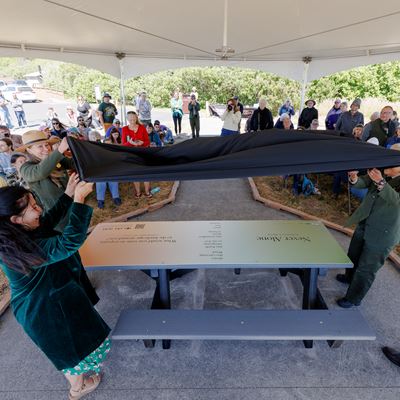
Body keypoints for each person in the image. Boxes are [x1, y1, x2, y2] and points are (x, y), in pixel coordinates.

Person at [0, 181, 110, 399]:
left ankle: (79, 381)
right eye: (32, 208)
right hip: (43, 312)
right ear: (15, 219)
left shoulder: (18, 232)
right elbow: (69, 242)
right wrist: (79, 201)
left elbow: (47, 220)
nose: (39, 209)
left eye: (35, 203)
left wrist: (68, 194)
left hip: (56, 298)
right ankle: (77, 389)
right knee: (69, 355)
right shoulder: (23, 248)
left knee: (76, 344)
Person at [335, 167, 400, 308]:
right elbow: (362, 182)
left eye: (393, 163)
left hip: (384, 233)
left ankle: (354, 298)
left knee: (367, 268)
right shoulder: (382, 173)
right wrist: (354, 178)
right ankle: (349, 278)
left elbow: (397, 201)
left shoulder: (382, 178)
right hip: (365, 223)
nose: (387, 165)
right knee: (353, 254)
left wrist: (381, 182)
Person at [18, 130, 74, 231]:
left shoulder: (55, 159)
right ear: (29, 150)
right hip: (55, 219)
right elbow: (40, 171)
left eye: (47, 145)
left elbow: (74, 163)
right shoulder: (26, 168)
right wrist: (59, 150)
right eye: (40, 146)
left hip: (72, 209)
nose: (46, 149)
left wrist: (75, 147)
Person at [121, 111, 152, 198]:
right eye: (130, 118)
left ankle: (147, 192)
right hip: (132, 155)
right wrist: (130, 143)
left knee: (146, 173)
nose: (132, 119)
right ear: (127, 119)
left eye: (133, 117)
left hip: (143, 153)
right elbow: (123, 144)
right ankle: (138, 193)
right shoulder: (124, 129)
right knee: (136, 174)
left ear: (136, 118)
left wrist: (141, 143)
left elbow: (147, 142)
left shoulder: (142, 127)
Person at [88, 134, 121, 209]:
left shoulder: (114, 152)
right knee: (100, 182)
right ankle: (100, 200)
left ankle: (116, 197)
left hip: (112, 171)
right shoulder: (99, 151)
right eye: (106, 144)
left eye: (109, 143)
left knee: (113, 181)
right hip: (101, 171)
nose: (108, 145)